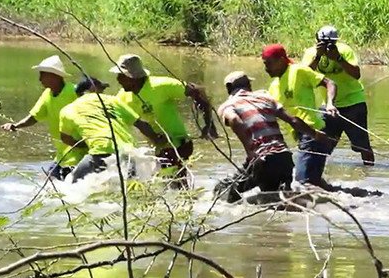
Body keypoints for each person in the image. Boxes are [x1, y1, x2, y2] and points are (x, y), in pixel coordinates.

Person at [213, 71, 330, 204]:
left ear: (228, 88)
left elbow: (234, 120)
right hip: (285, 158)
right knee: (276, 199)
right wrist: (315, 134)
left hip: (263, 160)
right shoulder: (265, 98)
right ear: (249, 85)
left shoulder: (228, 105)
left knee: (222, 191)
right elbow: (293, 120)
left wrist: (250, 151)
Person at [110, 54, 216, 187]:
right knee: (166, 184)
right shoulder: (122, 97)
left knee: (173, 184)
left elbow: (198, 91)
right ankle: (186, 202)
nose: (118, 80)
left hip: (178, 143)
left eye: (120, 76)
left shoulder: (161, 85)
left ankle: (185, 202)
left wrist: (209, 124)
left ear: (131, 77)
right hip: (158, 147)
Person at [262, 43, 339, 191]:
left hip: (314, 133)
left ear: (281, 60)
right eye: (265, 64)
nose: (266, 69)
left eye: (269, 64)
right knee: (311, 181)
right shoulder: (273, 87)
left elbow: (330, 83)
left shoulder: (298, 70)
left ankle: (328, 208)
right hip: (300, 136)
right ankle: (338, 197)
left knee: (302, 183)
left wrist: (330, 104)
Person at [59, 76, 164, 182]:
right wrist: (157, 139)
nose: (103, 92)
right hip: (128, 153)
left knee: (72, 185)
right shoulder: (112, 100)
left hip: (99, 154)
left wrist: (85, 144)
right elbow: (140, 124)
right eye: (101, 89)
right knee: (133, 186)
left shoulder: (67, 110)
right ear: (93, 88)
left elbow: (65, 138)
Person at [1, 55, 85, 180]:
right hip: (62, 154)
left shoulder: (75, 92)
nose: (40, 79)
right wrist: (15, 125)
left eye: (43, 75)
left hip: (80, 152)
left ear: (55, 76)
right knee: (47, 182)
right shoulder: (47, 94)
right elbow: (34, 117)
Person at [302, 26, 375, 165]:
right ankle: (317, 176)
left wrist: (338, 58)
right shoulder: (311, 53)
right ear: (317, 40)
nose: (327, 46)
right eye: (322, 42)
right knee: (321, 145)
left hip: (353, 104)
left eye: (330, 43)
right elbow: (304, 77)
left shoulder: (344, 50)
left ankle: (370, 175)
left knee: (363, 146)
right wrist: (318, 56)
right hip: (328, 106)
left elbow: (356, 74)